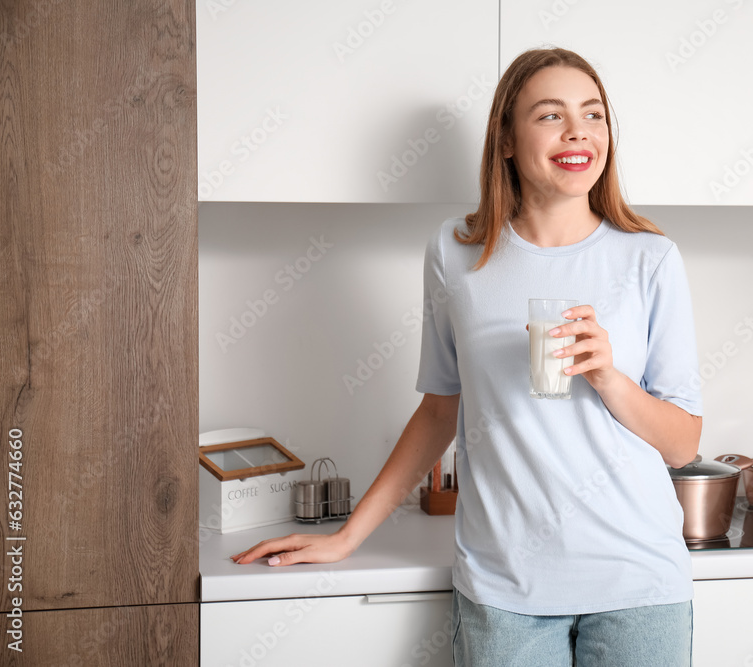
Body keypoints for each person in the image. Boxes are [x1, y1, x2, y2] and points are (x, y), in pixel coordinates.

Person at [232, 47, 703, 666]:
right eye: (550, 116)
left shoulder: (650, 259)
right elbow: (437, 412)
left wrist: (610, 378)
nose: (578, 133)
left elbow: (683, 444)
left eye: (593, 115)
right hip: (506, 585)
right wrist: (348, 537)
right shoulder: (457, 253)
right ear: (506, 139)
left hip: (638, 581)